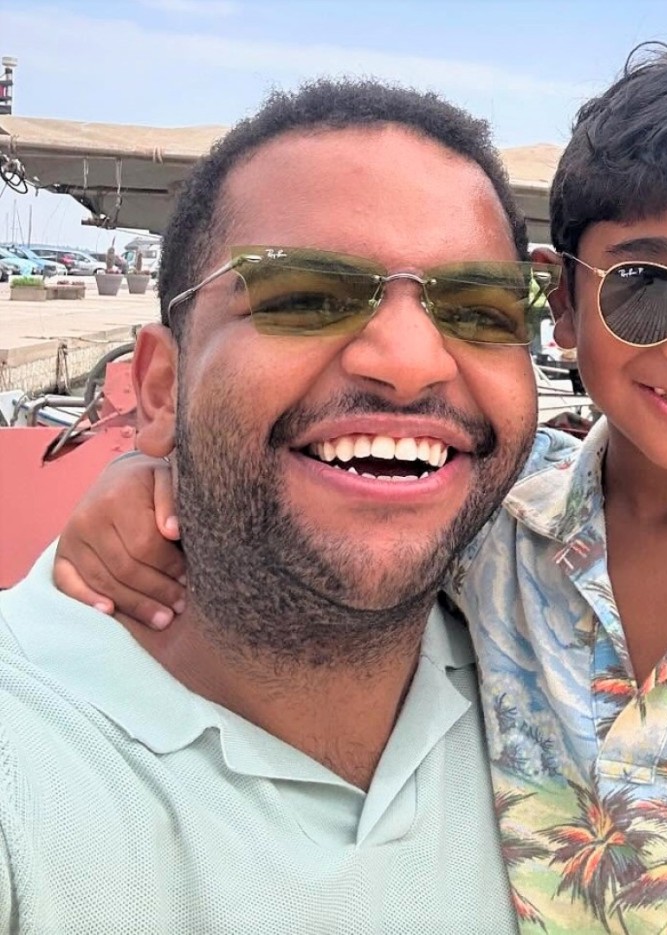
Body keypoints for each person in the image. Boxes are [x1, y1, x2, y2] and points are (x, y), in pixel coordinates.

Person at [55, 47, 667, 933]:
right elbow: (293, 486)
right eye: (646, 286)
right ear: (562, 301)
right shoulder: (493, 521)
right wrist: (144, 473)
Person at [0, 78, 562, 931]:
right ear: (161, 387)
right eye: (304, 297)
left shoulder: (558, 667)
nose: (410, 363)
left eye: (478, 311)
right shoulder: (29, 755)